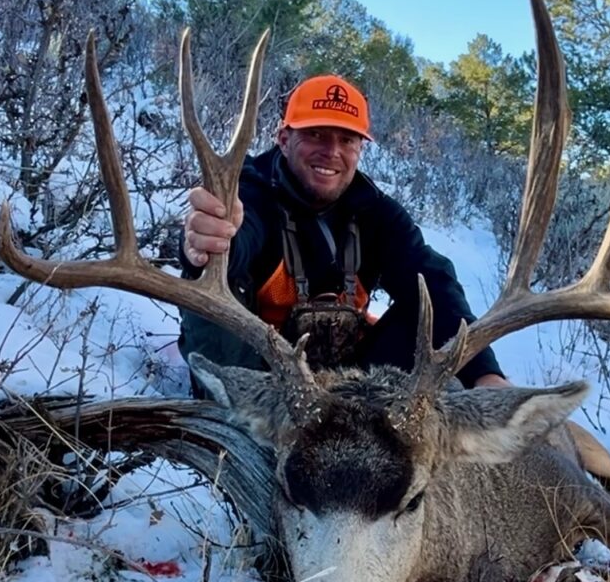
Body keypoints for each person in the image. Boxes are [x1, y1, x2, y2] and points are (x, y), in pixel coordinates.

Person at [178, 72, 508, 389]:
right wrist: (217, 239)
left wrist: (485, 373)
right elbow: (241, 234)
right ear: (284, 139)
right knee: (216, 284)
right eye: (315, 134)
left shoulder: (377, 214)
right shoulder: (253, 192)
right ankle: (230, 418)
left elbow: (434, 281)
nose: (332, 151)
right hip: (260, 379)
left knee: (425, 304)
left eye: (347, 139)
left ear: (360, 150)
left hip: (350, 382)